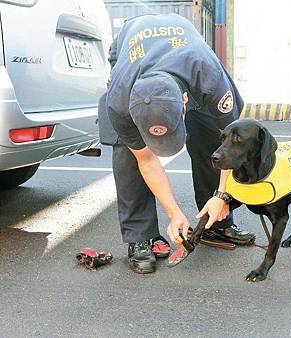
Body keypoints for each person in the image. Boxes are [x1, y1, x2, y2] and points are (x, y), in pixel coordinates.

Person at [98, 13, 255, 274]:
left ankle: (215, 221)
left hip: (185, 50)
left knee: (210, 137)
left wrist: (222, 194)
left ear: (185, 101)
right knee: (127, 153)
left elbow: (230, 145)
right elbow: (146, 160)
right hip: (131, 44)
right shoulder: (120, 99)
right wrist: (174, 214)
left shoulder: (208, 75)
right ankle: (140, 237)